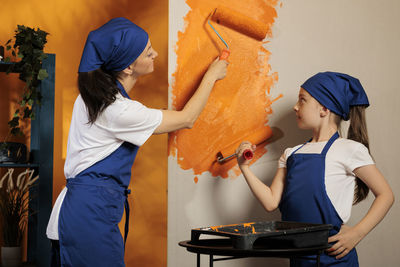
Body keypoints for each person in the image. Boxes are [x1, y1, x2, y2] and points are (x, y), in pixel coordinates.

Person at [46, 17, 228, 267]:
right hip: (88, 217)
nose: (155, 54)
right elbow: (186, 119)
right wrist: (212, 75)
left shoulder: (93, 97)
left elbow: (143, 117)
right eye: (147, 52)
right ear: (128, 67)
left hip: (80, 212)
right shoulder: (118, 110)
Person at [236, 72, 394, 266]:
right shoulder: (290, 153)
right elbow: (270, 202)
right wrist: (244, 168)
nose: (295, 106)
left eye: (302, 100)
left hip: (335, 259)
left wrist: (357, 233)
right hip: (299, 259)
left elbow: (386, 195)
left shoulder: (349, 150)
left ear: (324, 109)